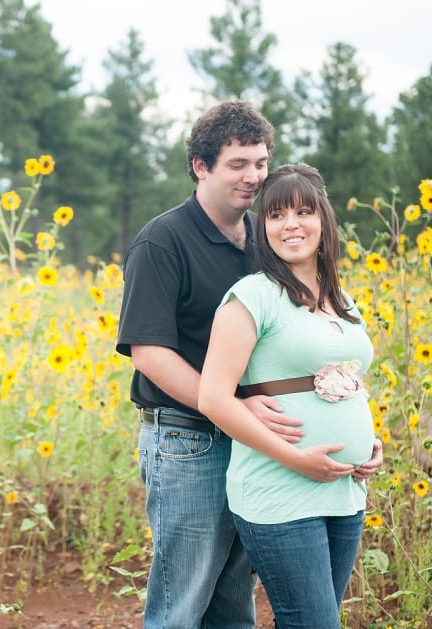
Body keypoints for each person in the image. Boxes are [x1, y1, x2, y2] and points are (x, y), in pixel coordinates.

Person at [116, 101, 382, 628]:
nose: (254, 176)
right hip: (189, 437)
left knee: (233, 594)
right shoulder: (164, 240)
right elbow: (149, 353)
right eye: (238, 164)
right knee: (183, 597)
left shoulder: (267, 237)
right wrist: (234, 404)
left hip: (253, 443)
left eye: (260, 162)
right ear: (200, 165)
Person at [198, 163, 377, 628]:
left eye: (303, 211)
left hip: (345, 489)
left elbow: (349, 379)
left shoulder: (343, 298)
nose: (290, 224)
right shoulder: (252, 296)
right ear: (264, 228)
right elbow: (213, 398)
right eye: (276, 215)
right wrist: (298, 459)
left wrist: (369, 440)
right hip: (279, 491)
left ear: (324, 220)